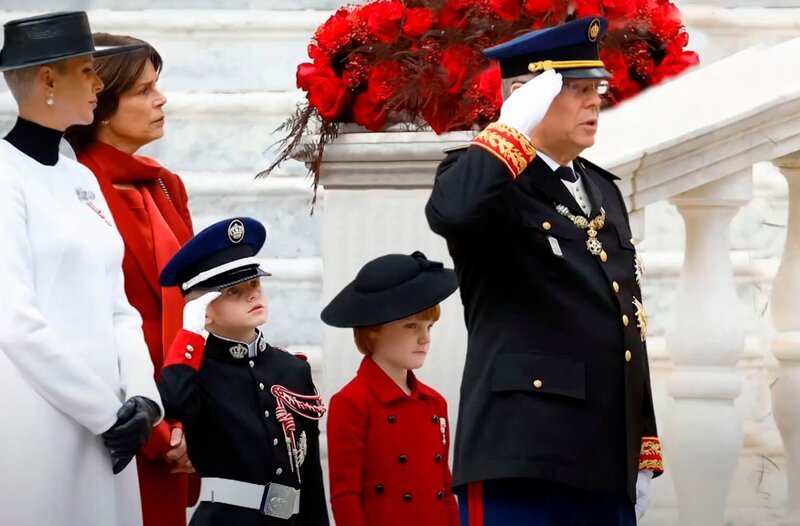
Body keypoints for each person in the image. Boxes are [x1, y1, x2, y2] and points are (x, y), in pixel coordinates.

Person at [425, 17, 663, 526]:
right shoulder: (488, 178)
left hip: (604, 458)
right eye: (576, 90)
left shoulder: (602, 189)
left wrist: (643, 444)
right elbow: (450, 212)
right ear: (525, 98)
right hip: (522, 453)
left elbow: (628, 321)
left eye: (596, 89)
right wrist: (509, 130)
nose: (594, 103)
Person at [0, 12, 163, 526]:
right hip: (44, 416)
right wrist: (104, 413)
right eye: (88, 71)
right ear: (48, 80)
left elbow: (119, 306)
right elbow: (14, 321)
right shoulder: (5, 175)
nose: (98, 84)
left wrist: (143, 398)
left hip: (115, 425)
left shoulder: (81, 178)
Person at [66, 33, 196, 526]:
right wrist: (155, 426)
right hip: (118, 417)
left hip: (179, 405)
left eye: (157, 86)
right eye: (144, 90)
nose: (161, 99)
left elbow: (195, 300)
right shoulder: (73, 187)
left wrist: (190, 418)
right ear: (101, 106)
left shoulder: (165, 182)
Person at [157, 217, 330, 526]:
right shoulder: (196, 372)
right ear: (205, 311)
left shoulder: (293, 370)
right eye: (233, 291)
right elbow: (172, 403)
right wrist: (190, 333)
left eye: (255, 284)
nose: (252, 295)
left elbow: (311, 478)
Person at [322, 251, 461, 526]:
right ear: (373, 329)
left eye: (429, 327)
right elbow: (345, 496)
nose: (425, 338)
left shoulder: (435, 403)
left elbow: (444, 492)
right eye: (411, 326)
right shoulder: (351, 402)